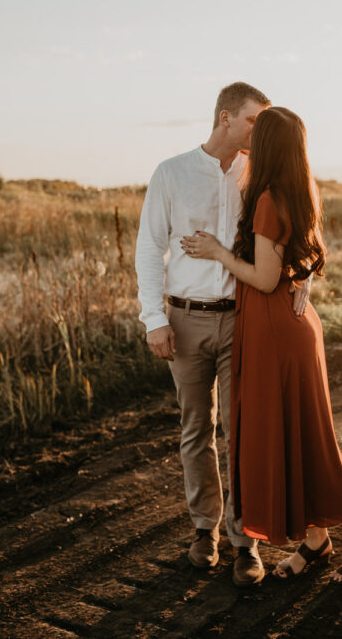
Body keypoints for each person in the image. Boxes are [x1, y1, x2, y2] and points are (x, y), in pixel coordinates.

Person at [181, 106, 342, 585]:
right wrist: (303, 279)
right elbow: (302, 262)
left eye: (259, 134)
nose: (250, 139)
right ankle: (316, 541)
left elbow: (263, 276)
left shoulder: (269, 200)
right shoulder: (299, 191)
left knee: (311, 443)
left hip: (277, 330)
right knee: (296, 437)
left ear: (269, 146)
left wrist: (217, 252)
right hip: (289, 328)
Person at [135, 83, 311, 588]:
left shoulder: (261, 175)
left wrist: (305, 278)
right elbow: (150, 250)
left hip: (244, 320)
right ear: (226, 116)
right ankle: (203, 530)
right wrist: (154, 318)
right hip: (184, 319)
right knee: (196, 431)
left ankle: (245, 539)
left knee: (243, 432)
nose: (262, 131)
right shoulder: (171, 173)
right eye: (256, 120)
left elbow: (293, 230)